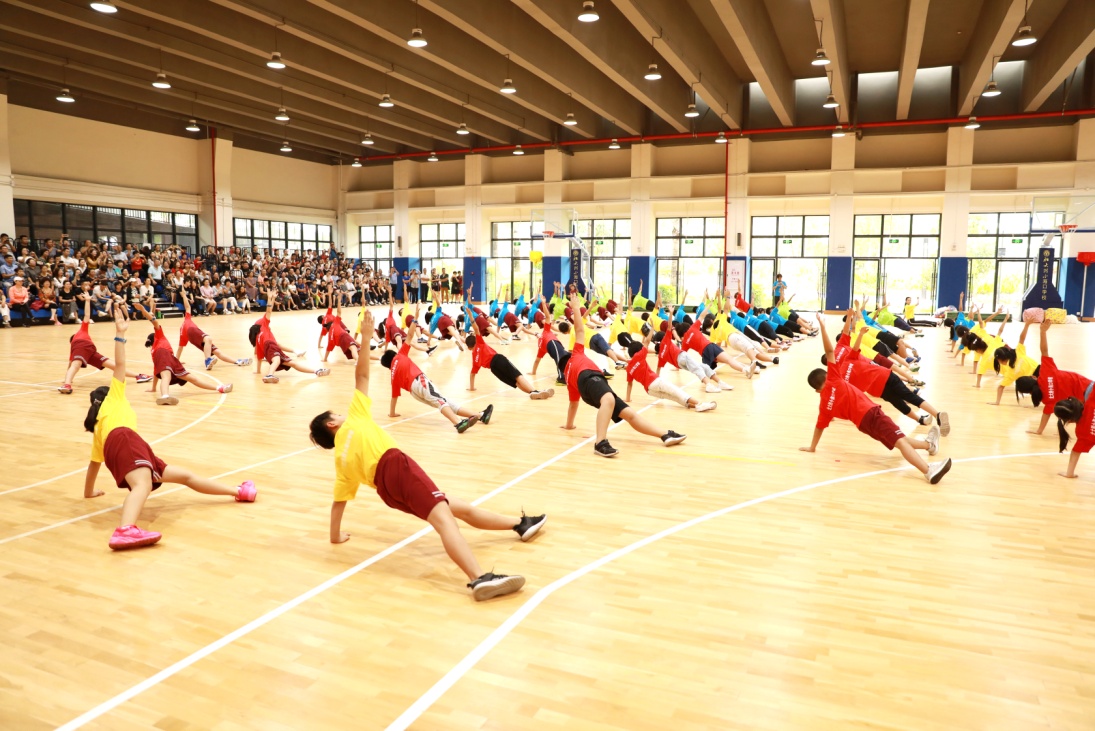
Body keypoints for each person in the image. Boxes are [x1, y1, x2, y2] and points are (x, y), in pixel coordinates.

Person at [309, 310, 543, 600]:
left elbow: (338, 503)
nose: (341, 414)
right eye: (336, 414)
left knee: (458, 508)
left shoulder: (340, 462)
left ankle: (519, 524)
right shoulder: (354, 419)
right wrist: (366, 337)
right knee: (444, 520)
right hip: (396, 467)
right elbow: (362, 375)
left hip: (388, 491)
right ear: (332, 424)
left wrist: (335, 536)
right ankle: (479, 578)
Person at [82, 306, 256, 550]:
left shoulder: (100, 428)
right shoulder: (114, 398)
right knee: (142, 485)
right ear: (108, 394)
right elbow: (119, 364)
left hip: (133, 446)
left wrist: (89, 492)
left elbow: (93, 466)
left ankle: (238, 491)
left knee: (185, 476)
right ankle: (125, 531)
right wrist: (120, 335)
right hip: (127, 440)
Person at [562, 294, 687, 458]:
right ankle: (600, 443)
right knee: (609, 400)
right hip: (589, 377)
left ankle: (664, 434)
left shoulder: (568, 378)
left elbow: (573, 404)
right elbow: (579, 330)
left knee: (629, 414)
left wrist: (569, 425)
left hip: (588, 388)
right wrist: (576, 309)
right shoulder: (575, 355)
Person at [801, 360, 952, 485]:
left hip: (863, 425)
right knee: (900, 441)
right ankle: (928, 470)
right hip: (872, 414)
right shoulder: (835, 380)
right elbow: (829, 351)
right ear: (829, 375)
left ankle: (929, 445)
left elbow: (819, 427)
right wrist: (823, 331)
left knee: (897, 438)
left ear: (816, 391)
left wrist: (812, 447)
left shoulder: (824, 406)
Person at [819, 311, 950, 434]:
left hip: (879, 387)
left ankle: (928, 417)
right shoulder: (846, 360)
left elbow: (835, 392)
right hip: (882, 376)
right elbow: (848, 335)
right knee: (906, 398)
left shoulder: (840, 372)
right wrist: (850, 320)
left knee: (900, 402)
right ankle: (930, 416)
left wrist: (830, 411)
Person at [380, 313, 489, 432]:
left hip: (415, 393)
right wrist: (415, 318)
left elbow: (394, 397)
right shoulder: (399, 355)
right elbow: (410, 335)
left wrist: (392, 413)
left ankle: (480, 416)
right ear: (393, 355)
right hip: (419, 381)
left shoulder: (393, 375)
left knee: (445, 402)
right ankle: (458, 423)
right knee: (441, 401)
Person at [133, 298, 233, 405]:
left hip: (172, 360)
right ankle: (165, 396)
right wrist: (143, 310)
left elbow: (156, 373)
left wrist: (153, 388)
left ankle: (220, 388)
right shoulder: (159, 337)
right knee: (169, 377)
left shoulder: (153, 353)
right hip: (166, 356)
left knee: (189, 378)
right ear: (155, 337)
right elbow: (154, 321)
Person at [58, 294, 152, 394]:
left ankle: (138, 376)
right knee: (114, 366)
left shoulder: (78, 337)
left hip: (89, 350)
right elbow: (87, 316)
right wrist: (88, 301)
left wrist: (88, 301)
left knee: (112, 366)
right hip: (89, 350)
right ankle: (139, 376)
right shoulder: (79, 338)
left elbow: (86, 315)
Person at [1017, 321, 1092, 435]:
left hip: (1086, 399)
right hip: (1089, 388)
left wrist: (1039, 431)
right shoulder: (1045, 372)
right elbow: (1044, 351)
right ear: (1032, 377)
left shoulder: (1046, 400)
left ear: (1029, 393)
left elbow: (1046, 414)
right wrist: (1042, 332)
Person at [250, 290, 331, 383]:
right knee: (276, 360)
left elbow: (259, 358)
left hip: (272, 348)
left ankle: (317, 371)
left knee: (293, 364)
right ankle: (269, 375)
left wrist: (258, 371)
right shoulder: (263, 326)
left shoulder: (259, 339)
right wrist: (269, 298)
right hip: (271, 346)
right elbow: (269, 311)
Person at [466, 315, 554, 400]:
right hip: (498, 359)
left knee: (515, 382)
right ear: (476, 341)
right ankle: (535, 392)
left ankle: (534, 393)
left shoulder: (475, 359)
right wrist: (470, 315)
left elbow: (472, 374)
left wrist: (471, 388)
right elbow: (476, 328)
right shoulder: (480, 343)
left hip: (494, 369)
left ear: (469, 348)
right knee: (517, 376)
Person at [624, 340, 716, 412]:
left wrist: (628, 399)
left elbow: (629, 384)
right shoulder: (638, 356)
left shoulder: (628, 368)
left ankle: (696, 406)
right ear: (638, 351)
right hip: (655, 381)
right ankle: (700, 404)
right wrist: (652, 328)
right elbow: (647, 341)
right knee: (677, 392)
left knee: (675, 398)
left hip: (649, 390)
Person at [176, 288, 252, 370]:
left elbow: (180, 348)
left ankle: (238, 361)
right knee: (208, 339)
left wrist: (176, 361)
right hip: (192, 330)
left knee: (217, 352)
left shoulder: (182, 332)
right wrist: (184, 295)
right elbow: (187, 307)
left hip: (195, 340)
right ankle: (207, 360)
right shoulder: (187, 320)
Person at [987, 320, 1041, 406]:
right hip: (1041, 371)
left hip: (1035, 380)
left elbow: (1001, 387)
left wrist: (997, 402)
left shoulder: (1010, 372)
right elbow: (1022, 338)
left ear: (1000, 360)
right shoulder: (1018, 352)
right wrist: (1027, 325)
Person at [317, 287, 361, 363]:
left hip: (338, 338)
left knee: (352, 345)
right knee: (352, 344)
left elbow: (325, 343)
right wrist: (336, 299)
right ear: (322, 317)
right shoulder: (328, 316)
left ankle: (361, 349)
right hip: (340, 328)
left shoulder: (325, 329)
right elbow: (333, 307)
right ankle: (360, 352)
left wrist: (324, 356)